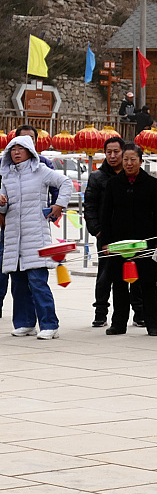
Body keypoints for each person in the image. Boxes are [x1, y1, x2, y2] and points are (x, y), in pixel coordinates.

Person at [0, 135, 72, 340]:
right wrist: (1, 202)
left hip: (36, 235)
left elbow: (66, 182)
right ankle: (25, 323)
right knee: (18, 283)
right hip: (14, 236)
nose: (16, 153)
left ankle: (50, 324)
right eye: (12, 149)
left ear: (29, 151)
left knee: (38, 282)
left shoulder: (41, 170)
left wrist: (59, 205)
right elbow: (4, 207)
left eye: (20, 149)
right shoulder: (7, 175)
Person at [99, 144, 157, 336]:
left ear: (141, 161)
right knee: (119, 283)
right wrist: (105, 241)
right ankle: (119, 323)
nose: (129, 163)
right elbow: (106, 215)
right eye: (126, 159)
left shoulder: (150, 183)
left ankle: (152, 323)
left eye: (133, 159)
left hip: (145, 241)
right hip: (119, 242)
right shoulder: (114, 184)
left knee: (147, 283)